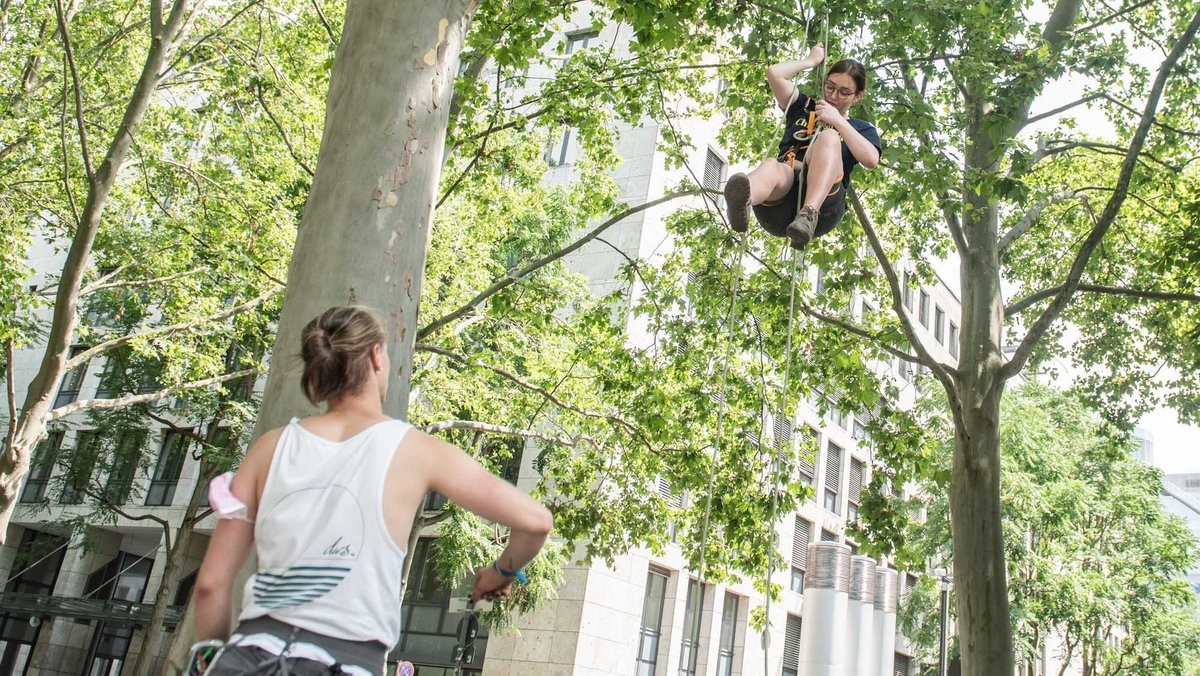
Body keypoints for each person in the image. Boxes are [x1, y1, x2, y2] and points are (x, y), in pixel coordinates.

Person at [190, 305, 553, 675]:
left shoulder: (269, 448)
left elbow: (210, 586)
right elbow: (535, 522)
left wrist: (212, 661)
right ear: (377, 357)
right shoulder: (417, 450)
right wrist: (501, 572)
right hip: (344, 662)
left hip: (246, 656)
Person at [723, 44, 882, 249]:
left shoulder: (860, 129)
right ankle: (742, 202)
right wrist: (811, 61)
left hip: (824, 208)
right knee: (773, 164)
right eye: (830, 86)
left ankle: (808, 214)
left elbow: (871, 159)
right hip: (780, 203)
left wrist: (839, 122)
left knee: (829, 137)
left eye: (843, 92)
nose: (833, 96)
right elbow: (774, 74)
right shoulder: (803, 106)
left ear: (857, 96)